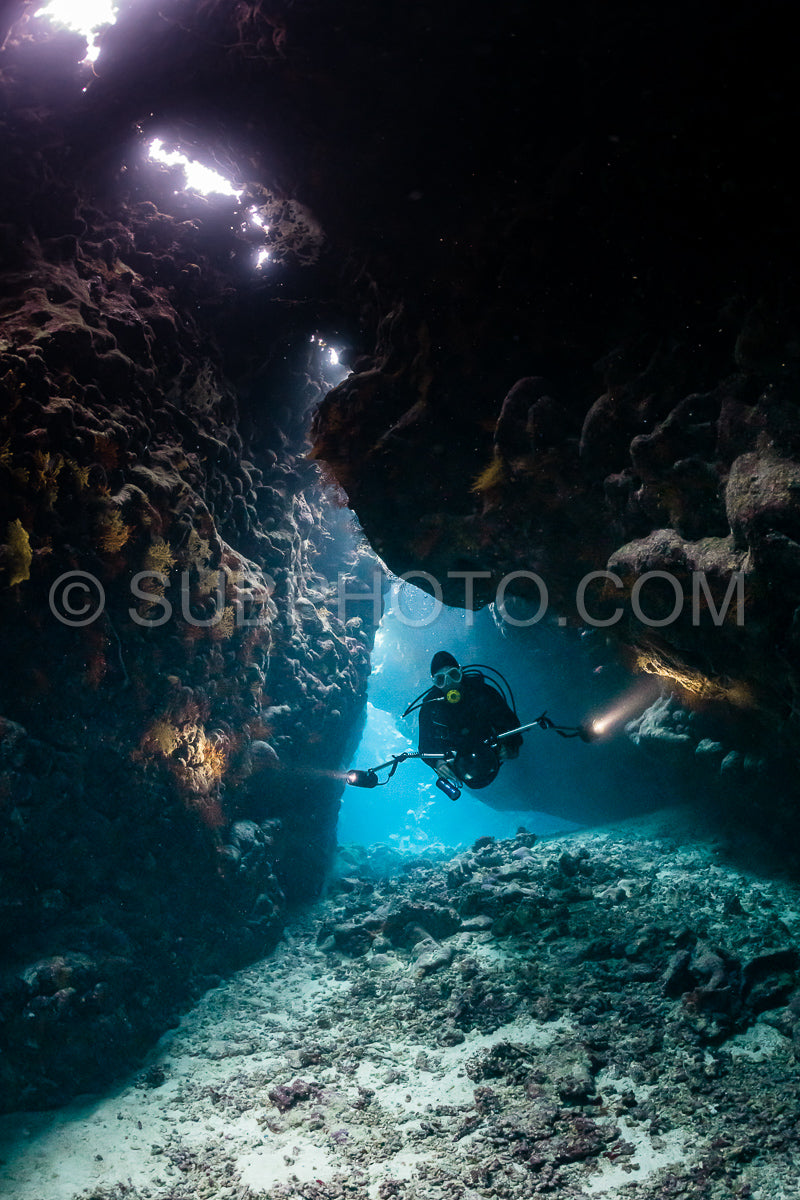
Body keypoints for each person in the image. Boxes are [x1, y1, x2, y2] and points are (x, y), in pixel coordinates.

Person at [414, 652, 523, 796]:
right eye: (441, 680)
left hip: (490, 752)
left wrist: (511, 747)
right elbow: (424, 746)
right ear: (435, 683)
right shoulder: (430, 708)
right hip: (457, 761)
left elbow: (511, 724)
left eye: (453, 675)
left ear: (460, 672)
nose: (449, 683)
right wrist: (437, 763)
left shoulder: (483, 693)